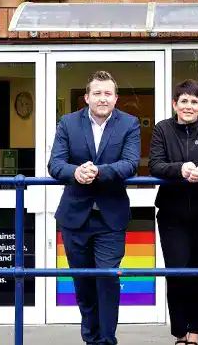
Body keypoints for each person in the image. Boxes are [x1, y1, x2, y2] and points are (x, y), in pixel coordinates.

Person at [48, 70, 141, 345]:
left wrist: (98, 172)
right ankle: (91, 339)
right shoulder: (68, 123)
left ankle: (107, 341)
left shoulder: (129, 123)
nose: (103, 99)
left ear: (116, 98)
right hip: (75, 217)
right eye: (97, 93)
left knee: (107, 280)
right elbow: (55, 164)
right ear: (87, 97)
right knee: (84, 285)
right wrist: (76, 173)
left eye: (108, 94)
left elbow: (130, 163)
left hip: (111, 218)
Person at [148, 79, 198, 345]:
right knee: (177, 273)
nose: (188, 106)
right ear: (175, 104)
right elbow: (155, 166)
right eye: (183, 101)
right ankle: (180, 334)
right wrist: (179, 170)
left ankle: (194, 334)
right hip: (172, 214)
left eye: (194, 102)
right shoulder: (162, 129)